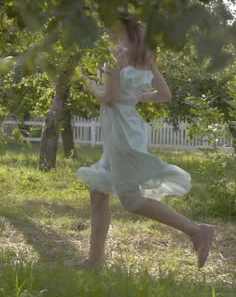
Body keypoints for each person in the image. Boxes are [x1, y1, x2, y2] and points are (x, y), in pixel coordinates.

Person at [77, 15, 215, 269]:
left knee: (130, 199)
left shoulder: (116, 57)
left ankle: (196, 231)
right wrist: (134, 98)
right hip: (128, 127)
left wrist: (90, 85)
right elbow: (165, 95)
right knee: (98, 193)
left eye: (110, 26)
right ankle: (94, 262)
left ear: (121, 30)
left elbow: (108, 98)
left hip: (120, 132)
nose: (106, 30)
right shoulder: (145, 59)